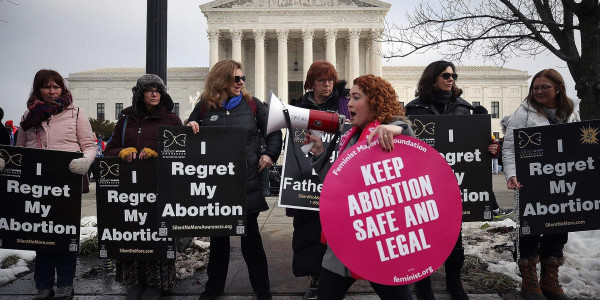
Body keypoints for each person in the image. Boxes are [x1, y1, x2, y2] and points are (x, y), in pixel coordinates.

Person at [306, 74, 414, 300]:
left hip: (380, 240)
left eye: (356, 98)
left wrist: (398, 129)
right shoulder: (351, 138)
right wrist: (319, 153)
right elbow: (336, 184)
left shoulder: (387, 134)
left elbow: (410, 142)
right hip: (345, 240)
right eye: (349, 98)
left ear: (374, 101)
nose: (350, 104)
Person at [404, 60, 505, 300]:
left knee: (454, 236)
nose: (451, 79)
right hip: (425, 185)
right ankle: (423, 284)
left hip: (457, 185)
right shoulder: (414, 110)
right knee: (422, 236)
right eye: (445, 75)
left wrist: (491, 148)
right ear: (432, 79)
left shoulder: (464, 109)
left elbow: (478, 146)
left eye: (453, 75)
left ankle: (454, 280)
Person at [186, 60, 282, 300]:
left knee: (251, 240)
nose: (241, 83)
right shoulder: (205, 107)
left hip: (245, 182)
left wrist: (269, 155)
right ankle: (214, 288)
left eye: (242, 78)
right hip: (216, 186)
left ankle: (262, 290)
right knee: (219, 241)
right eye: (236, 78)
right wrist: (191, 125)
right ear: (222, 80)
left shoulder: (252, 105)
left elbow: (274, 132)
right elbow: (188, 130)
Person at [16, 69, 96, 300]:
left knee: (65, 234)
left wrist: (85, 162)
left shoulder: (76, 113)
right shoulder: (28, 116)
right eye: (46, 87)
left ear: (63, 89)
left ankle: (65, 283)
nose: (52, 91)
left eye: (56, 86)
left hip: (66, 182)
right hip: (37, 183)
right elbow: (20, 151)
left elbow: (90, 146)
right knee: (41, 234)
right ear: (38, 89)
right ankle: (42, 284)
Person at [104, 74, 183, 300]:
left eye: (158, 89)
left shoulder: (172, 121)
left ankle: (158, 283)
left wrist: (158, 155)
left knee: (158, 235)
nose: (154, 93)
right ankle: (135, 281)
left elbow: (183, 156)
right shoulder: (127, 120)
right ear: (140, 93)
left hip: (161, 189)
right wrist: (121, 152)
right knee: (135, 233)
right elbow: (109, 149)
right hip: (131, 191)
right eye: (149, 90)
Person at [502, 69, 578, 300]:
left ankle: (549, 278)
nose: (539, 91)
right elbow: (509, 147)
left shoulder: (571, 112)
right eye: (535, 87)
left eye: (545, 87)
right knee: (531, 228)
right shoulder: (522, 114)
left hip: (563, 179)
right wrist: (511, 175)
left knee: (559, 225)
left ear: (558, 88)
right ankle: (529, 280)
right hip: (531, 180)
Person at [287, 60, 351, 300]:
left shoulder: (344, 103)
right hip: (308, 180)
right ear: (311, 83)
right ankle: (315, 278)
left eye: (330, 80)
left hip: (336, 177)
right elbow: (294, 143)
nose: (327, 84)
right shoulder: (299, 107)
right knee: (309, 231)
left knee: (334, 232)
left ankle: (335, 279)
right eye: (322, 80)